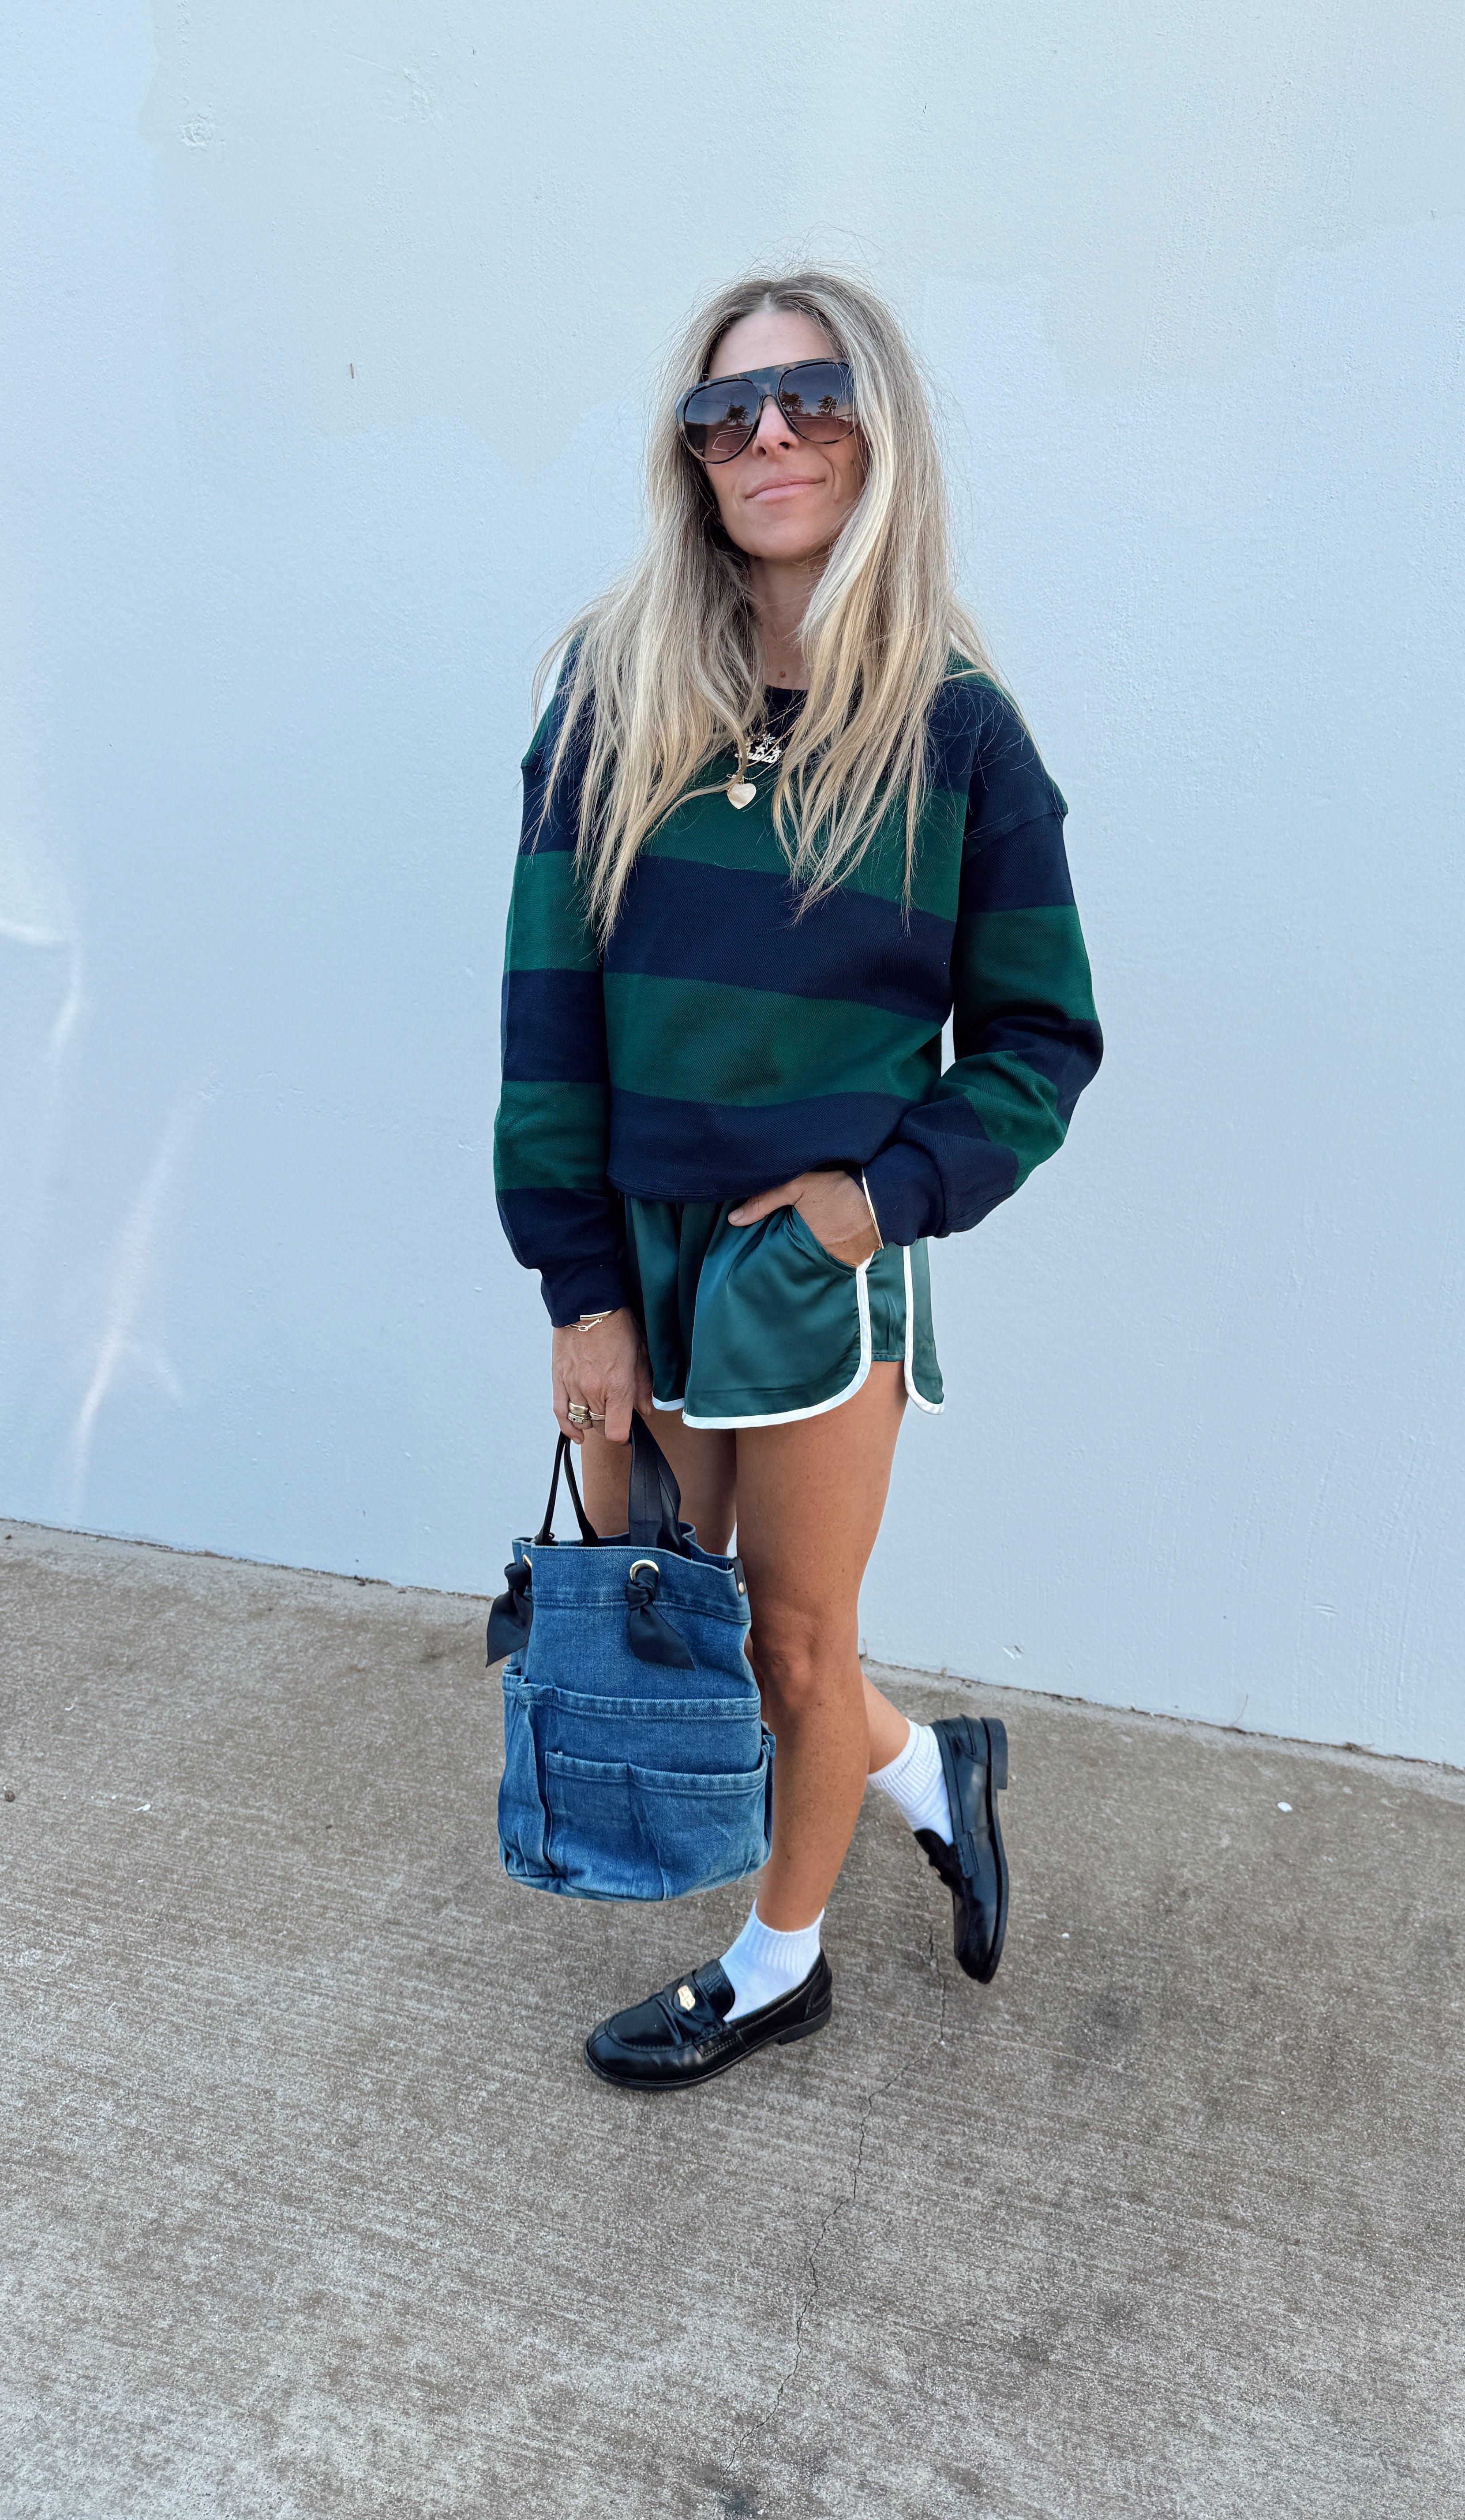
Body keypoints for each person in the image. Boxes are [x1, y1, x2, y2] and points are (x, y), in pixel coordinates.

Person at [493, 268, 1102, 2090]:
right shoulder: (609, 696)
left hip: (817, 1271)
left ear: (874, 429)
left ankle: (777, 1965)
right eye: (726, 411)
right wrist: (581, 1288)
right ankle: (933, 1772)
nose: (769, 435)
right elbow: (547, 1013)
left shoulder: (959, 733)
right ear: (688, 455)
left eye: (812, 397)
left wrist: (871, 1203)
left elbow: (1040, 1040)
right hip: (645, 1246)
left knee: (794, 1635)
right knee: (697, 1619)